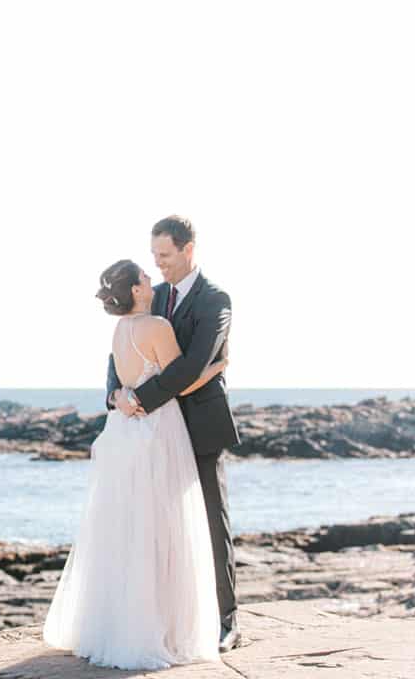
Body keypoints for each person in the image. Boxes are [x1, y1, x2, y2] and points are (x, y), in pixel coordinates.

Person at [42, 257, 227, 670]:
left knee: (129, 527)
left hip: (124, 432)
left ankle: (121, 624)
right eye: (144, 276)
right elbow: (181, 380)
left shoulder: (120, 329)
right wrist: (216, 367)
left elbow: (126, 383)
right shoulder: (156, 327)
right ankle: (159, 628)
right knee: (163, 524)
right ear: (138, 290)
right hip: (158, 429)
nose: (151, 277)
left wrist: (119, 398)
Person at [109, 215, 242, 652]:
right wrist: (116, 396)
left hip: (199, 426)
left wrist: (140, 397)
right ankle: (172, 620)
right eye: (154, 256)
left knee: (209, 519)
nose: (158, 264)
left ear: (188, 249)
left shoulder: (215, 300)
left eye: (164, 255)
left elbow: (192, 365)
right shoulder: (154, 296)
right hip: (156, 433)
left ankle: (226, 620)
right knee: (161, 526)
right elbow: (117, 356)